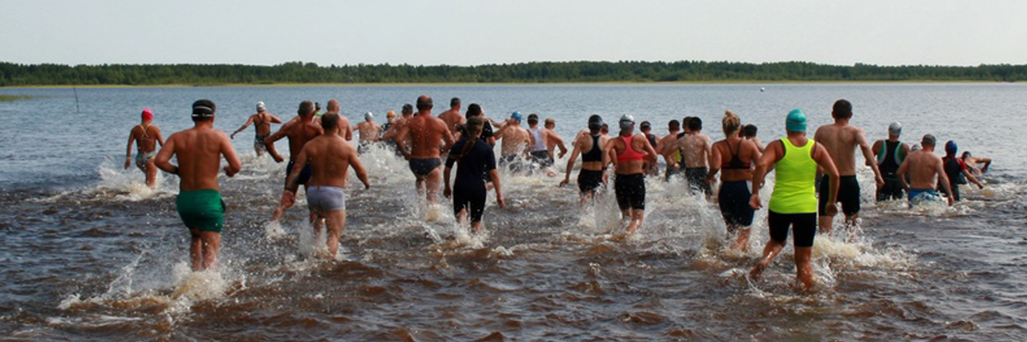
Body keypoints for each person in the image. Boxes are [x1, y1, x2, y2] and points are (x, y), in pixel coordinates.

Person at [749, 109, 839, 291]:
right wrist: (830, 201)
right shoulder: (815, 148)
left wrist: (755, 193)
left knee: (777, 241)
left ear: (787, 127)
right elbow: (835, 174)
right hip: (806, 208)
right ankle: (805, 295)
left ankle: (766, 259)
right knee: (804, 260)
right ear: (804, 128)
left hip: (780, 206)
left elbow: (760, 165)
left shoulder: (777, 146)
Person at [154, 100, 241, 271]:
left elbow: (159, 161)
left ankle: (194, 276)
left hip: (185, 200)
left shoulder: (177, 137)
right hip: (208, 199)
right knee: (210, 248)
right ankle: (206, 288)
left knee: (196, 237)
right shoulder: (218, 136)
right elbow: (236, 166)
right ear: (212, 118)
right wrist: (229, 171)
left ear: (193, 116)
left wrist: (178, 171)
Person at [282, 113, 370, 258]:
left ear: (322, 125)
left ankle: (313, 251)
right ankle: (326, 265)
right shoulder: (346, 147)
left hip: (313, 192)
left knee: (318, 220)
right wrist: (366, 183)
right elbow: (360, 171)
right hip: (333, 193)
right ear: (338, 126)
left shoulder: (310, 145)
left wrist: (288, 189)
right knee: (333, 234)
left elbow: (296, 169)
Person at [812, 99, 884, 234]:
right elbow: (864, 146)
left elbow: (813, 156)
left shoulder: (822, 131)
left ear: (833, 114)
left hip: (829, 181)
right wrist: (877, 174)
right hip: (849, 181)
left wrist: (814, 179)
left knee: (824, 231)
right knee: (852, 229)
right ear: (850, 115)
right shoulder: (855, 131)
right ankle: (849, 252)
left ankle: (825, 253)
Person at [706, 111, 762, 251]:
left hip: (726, 188)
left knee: (731, 228)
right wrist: (756, 173)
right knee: (744, 230)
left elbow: (715, 166)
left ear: (724, 129)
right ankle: (734, 255)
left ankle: (728, 252)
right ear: (739, 129)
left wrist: (709, 176)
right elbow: (761, 164)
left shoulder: (718, 146)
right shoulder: (749, 145)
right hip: (744, 188)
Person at [443, 117, 506, 234]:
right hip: (478, 187)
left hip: (460, 186)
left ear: (467, 129)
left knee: (461, 214)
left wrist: (447, 186)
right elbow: (493, 173)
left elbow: (447, 169)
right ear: (480, 131)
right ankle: (474, 245)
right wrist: (499, 194)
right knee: (476, 222)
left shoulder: (457, 146)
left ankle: (462, 225)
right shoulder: (486, 148)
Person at [265, 101, 324, 223]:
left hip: (293, 166)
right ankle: (316, 237)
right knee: (313, 206)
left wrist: (275, 156)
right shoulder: (316, 129)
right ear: (313, 113)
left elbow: (268, 141)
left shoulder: (290, 127)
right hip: (309, 167)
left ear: (298, 113)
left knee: (287, 200)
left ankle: (277, 216)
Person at [395, 95, 456, 205]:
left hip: (415, 162)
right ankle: (429, 219)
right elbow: (451, 143)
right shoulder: (439, 123)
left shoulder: (410, 122)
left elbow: (398, 140)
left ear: (417, 107)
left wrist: (405, 153)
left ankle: (419, 208)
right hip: (432, 161)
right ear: (431, 107)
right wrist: (441, 152)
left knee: (420, 180)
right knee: (432, 198)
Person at [603, 115, 659, 235]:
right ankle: (628, 236)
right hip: (636, 179)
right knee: (637, 218)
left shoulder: (614, 141)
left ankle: (621, 237)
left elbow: (605, 150)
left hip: (621, 179)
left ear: (620, 125)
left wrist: (604, 170)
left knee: (626, 215)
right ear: (633, 125)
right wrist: (650, 169)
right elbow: (654, 156)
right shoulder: (640, 139)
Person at [560, 115, 610, 203]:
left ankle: (584, 216)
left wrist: (567, 177)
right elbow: (613, 159)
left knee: (584, 199)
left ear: (589, 126)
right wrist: (606, 169)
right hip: (600, 173)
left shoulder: (582, 140)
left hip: (585, 173)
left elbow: (571, 160)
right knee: (600, 201)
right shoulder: (607, 140)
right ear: (601, 127)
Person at [896, 135, 954, 207]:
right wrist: (950, 194)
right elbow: (942, 176)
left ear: (922, 144)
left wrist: (905, 187)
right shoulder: (936, 159)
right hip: (929, 191)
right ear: (934, 145)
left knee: (913, 214)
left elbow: (899, 173)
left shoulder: (911, 156)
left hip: (913, 191)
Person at [666, 117, 713, 196]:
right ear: (700, 127)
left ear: (689, 127)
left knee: (692, 194)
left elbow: (666, 152)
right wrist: (711, 173)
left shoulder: (682, 140)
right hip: (701, 169)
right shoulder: (704, 139)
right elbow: (710, 154)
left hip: (689, 170)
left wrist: (672, 163)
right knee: (707, 194)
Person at [124, 108, 165, 188]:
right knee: (151, 184)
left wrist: (128, 158)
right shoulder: (155, 129)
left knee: (148, 176)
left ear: (142, 117)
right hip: (150, 157)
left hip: (139, 158)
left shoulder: (135, 129)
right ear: (150, 117)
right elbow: (162, 144)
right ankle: (147, 197)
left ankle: (140, 192)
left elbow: (129, 144)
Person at [871, 122, 911, 201]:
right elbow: (910, 166)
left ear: (889, 131)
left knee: (880, 206)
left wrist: (876, 164)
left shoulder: (879, 144)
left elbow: (868, 162)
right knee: (897, 207)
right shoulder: (904, 147)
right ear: (899, 132)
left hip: (883, 180)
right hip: (897, 182)